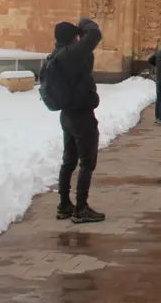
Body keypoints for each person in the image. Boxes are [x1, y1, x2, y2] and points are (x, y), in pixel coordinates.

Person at [52, 18, 106, 224]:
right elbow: (94, 35)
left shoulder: (58, 54)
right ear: (73, 37)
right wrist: (84, 23)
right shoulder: (71, 54)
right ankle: (81, 208)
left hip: (67, 114)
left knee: (69, 161)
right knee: (86, 162)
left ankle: (64, 205)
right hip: (81, 115)